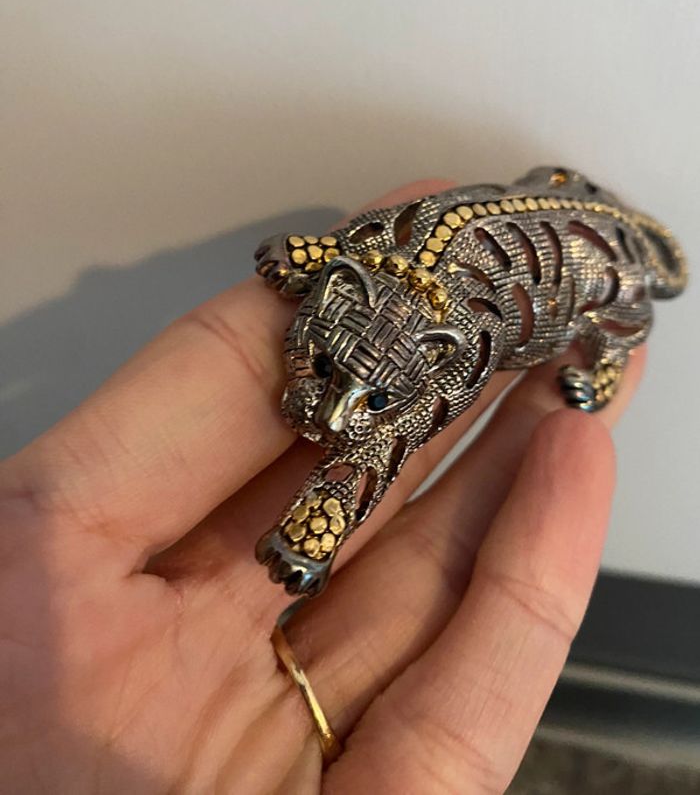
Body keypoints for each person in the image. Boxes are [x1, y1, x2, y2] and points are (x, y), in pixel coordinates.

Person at [0, 181, 644, 794]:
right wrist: (320, 258)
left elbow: (388, 441)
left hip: (584, 262)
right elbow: (349, 257)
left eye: (372, 397)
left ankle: (613, 353)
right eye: (326, 369)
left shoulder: (454, 357)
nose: (332, 419)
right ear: (333, 299)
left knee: (617, 304)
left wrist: (322, 524)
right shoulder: (367, 255)